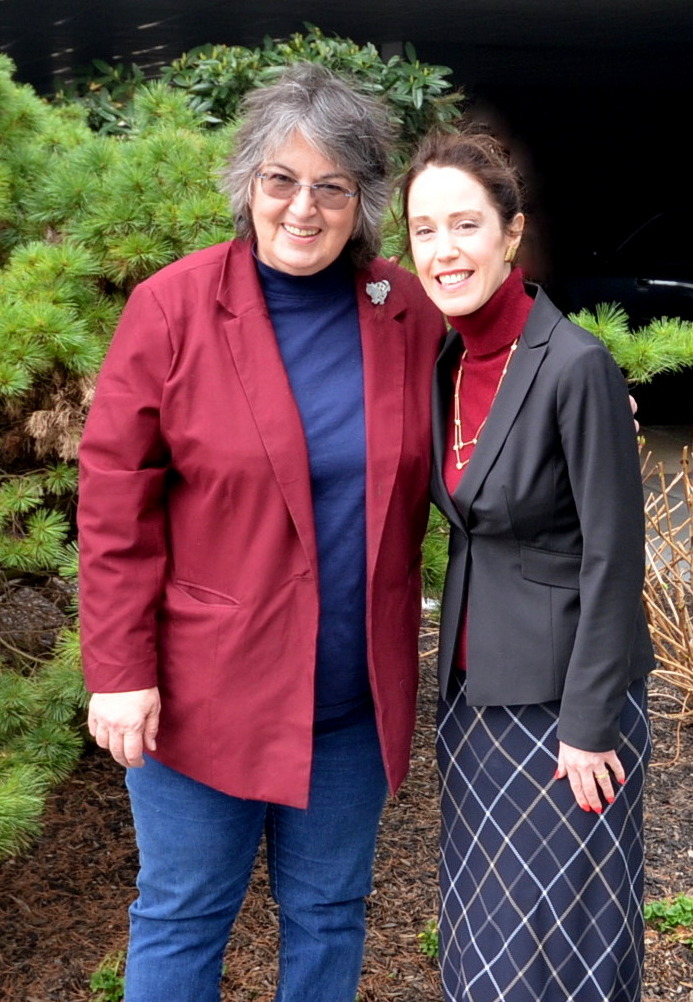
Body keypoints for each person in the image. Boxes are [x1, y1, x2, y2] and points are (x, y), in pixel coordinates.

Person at [78, 64, 445, 1002]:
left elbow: (487, 390)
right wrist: (118, 672)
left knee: (329, 914)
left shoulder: (401, 309)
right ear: (247, 182)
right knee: (183, 914)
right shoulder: (173, 306)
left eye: (332, 186)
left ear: (361, 199)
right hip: (203, 691)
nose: (303, 209)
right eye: (281, 179)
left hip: (348, 696)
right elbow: (115, 502)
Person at [401, 130, 655, 1002]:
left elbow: (616, 559)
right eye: (423, 229)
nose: (443, 250)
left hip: (564, 707)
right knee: (485, 931)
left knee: (562, 940)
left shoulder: (575, 364)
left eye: (464, 225)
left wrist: (589, 725)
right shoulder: (441, 361)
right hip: (474, 699)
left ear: (510, 234)